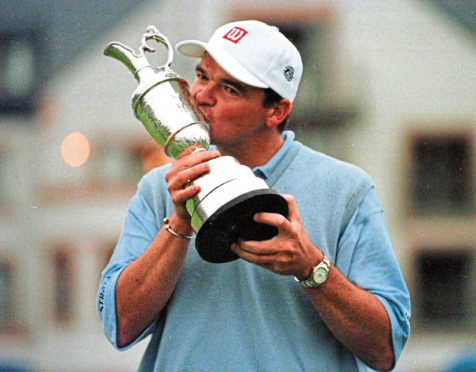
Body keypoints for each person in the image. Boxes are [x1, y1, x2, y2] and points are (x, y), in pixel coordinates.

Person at [97, 20, 410, 371]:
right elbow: (119, 327)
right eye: (202, 76)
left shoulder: (346, 189)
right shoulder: (160, 188)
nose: (201, 96)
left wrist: (312, 267)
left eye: (230, 89)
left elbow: (385, 349)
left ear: (277, 111)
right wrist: (180, 223)